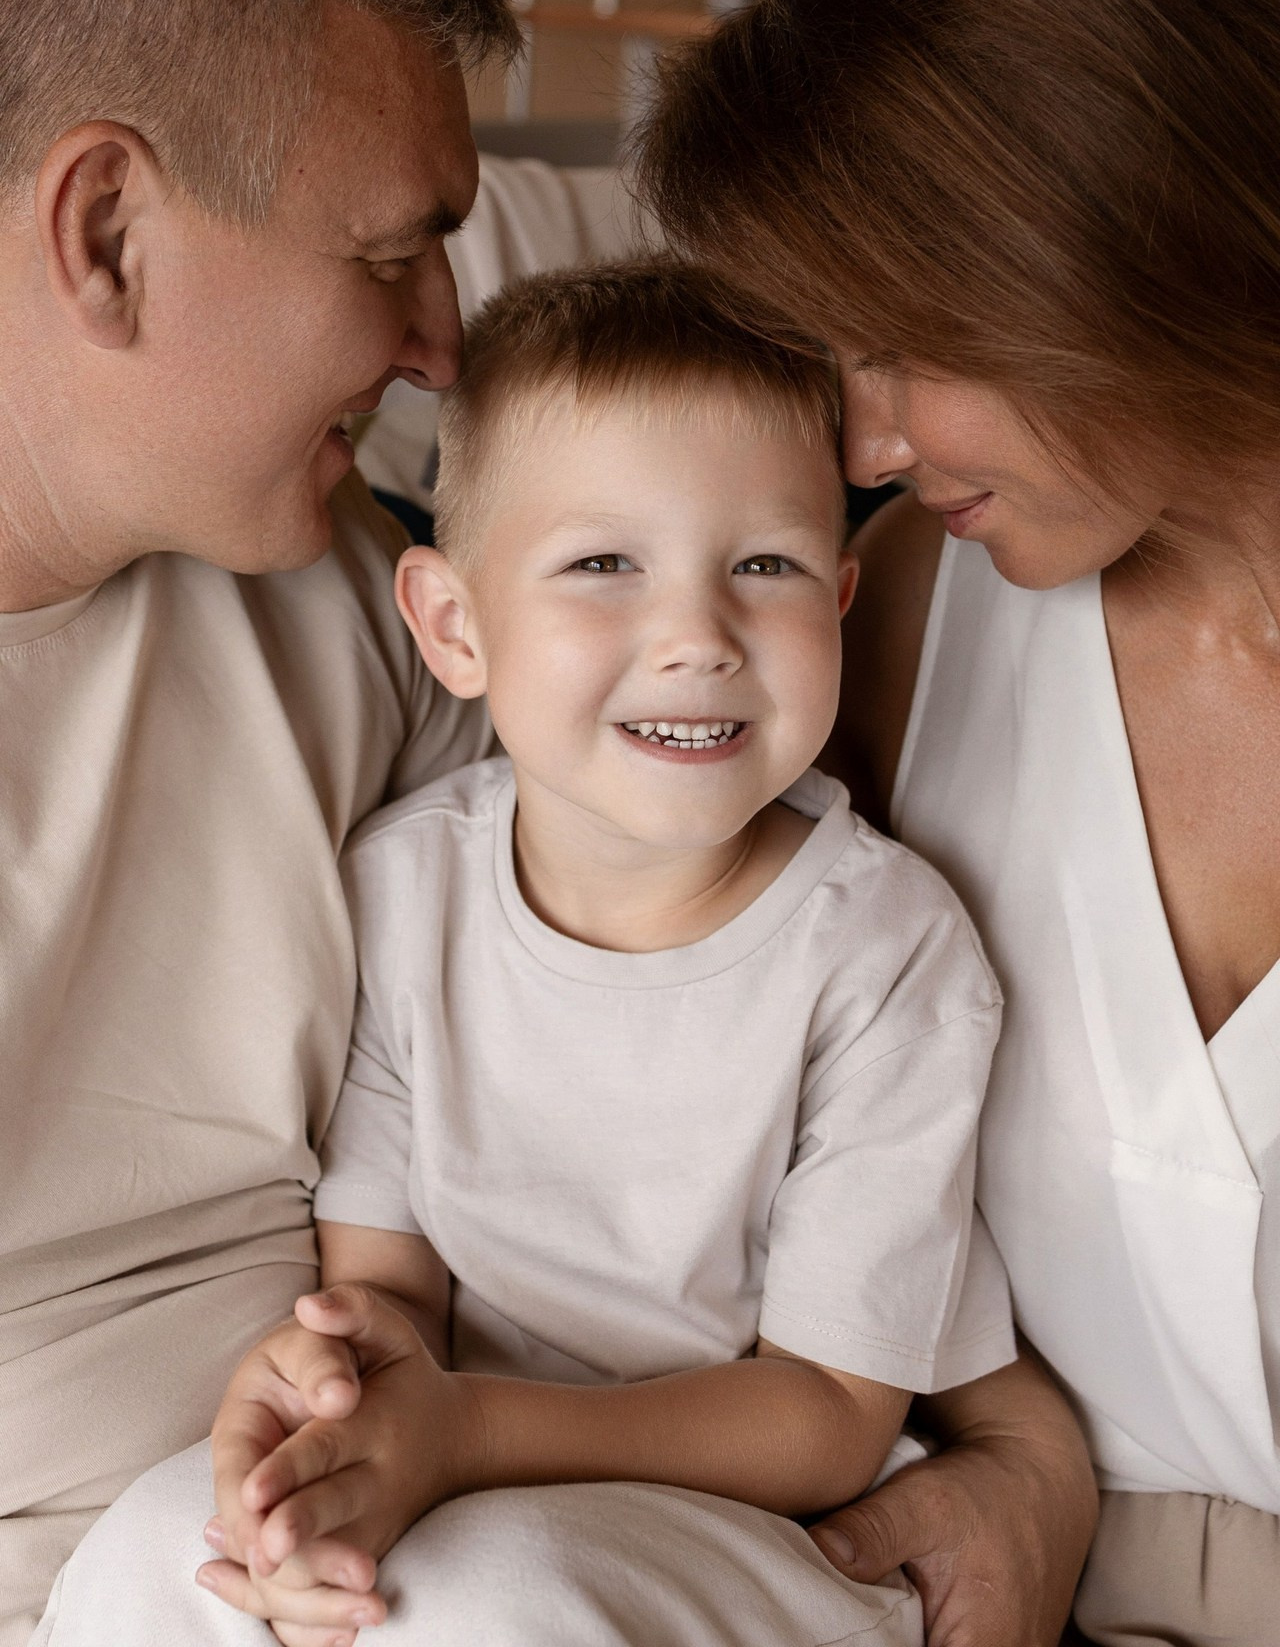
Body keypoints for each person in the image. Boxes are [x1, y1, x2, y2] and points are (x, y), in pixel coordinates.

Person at [34, 265, 1017, 1646]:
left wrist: (462, 1437)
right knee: (162, 1545)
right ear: (453, 625)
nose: (695, 636)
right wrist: (332, 1412)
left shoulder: (886, 949)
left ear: (841, 599)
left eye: (767, 565)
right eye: (605, 564)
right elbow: (388, 1290)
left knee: (489, 1602)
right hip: (460, 1467)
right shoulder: (402, 891)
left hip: (754, 1526)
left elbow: (829, 1420)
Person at [634, 0, 1280, 1647]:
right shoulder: (906, 614)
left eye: (898, 346)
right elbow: (791, 1130)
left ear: (1106, 225)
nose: (861, 448)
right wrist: (1006, 1449)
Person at [0, 0, 522, 1643]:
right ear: (109, 235)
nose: (444, 342)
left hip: (390, 1512)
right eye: (391, 254)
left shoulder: (368, 599)